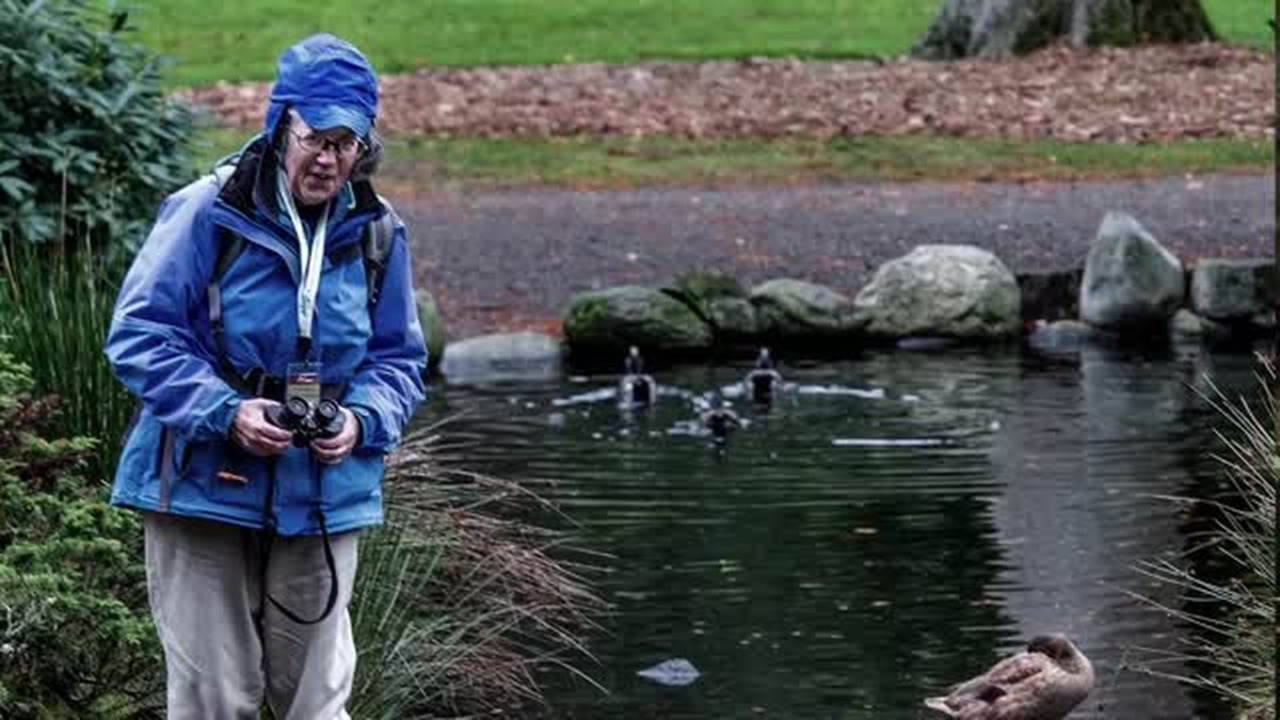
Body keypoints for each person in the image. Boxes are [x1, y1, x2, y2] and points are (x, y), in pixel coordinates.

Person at [105, 34, 427, 718]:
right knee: (214, 702)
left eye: (347, 142)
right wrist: (226, 411)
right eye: (316, 137)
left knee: (317, 705)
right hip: (201, 483)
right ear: (282, 125)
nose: (328, 158)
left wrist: (361, 420)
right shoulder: (207, 211)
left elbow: (399, 360)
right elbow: (139, 334)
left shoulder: (378, 232)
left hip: (321, 490)